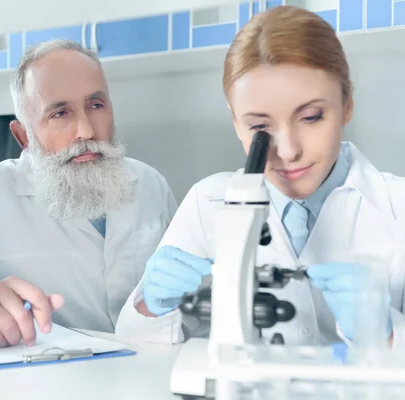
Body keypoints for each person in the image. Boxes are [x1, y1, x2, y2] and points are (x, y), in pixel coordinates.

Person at [116, 5, 405, 349]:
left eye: (311, 117)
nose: (288, 151)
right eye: (260, 127)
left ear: (347, 104)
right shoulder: (208, 203)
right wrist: (153, 303)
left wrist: (387, 332)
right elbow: (137, 348)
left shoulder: (396, 206)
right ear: (236, 122)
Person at [0, 39, 177, 348]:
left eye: (96, 105)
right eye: (60, 113)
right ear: (24, 136)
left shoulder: (150, 184)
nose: (86, 131)